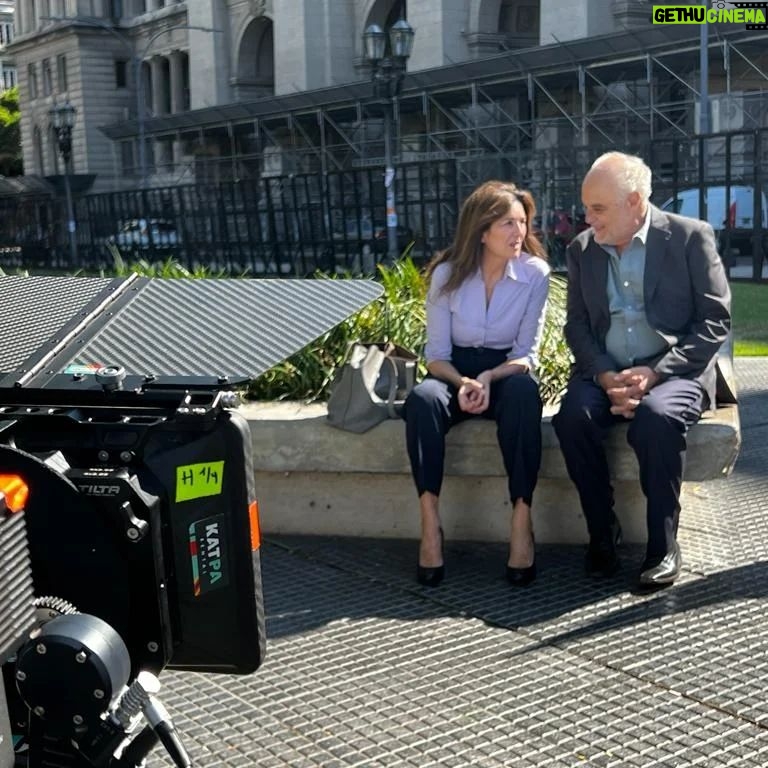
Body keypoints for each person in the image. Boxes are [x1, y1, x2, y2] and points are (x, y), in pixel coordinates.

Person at [552, 152, 731, 589]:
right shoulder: (582, 250)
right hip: (606, 371)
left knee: (656, 419)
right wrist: (604, 374)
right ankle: (602, 532)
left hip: (675, 372)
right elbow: (576, 324)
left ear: (634, 202)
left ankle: (663, 545)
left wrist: (655, 374)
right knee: (572, 418)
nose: (588, 220)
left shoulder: (690, 238)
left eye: (598, 209)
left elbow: (714, 321)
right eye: (586, 208)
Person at [402, 180, 550, 588]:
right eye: (507, 223)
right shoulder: (447, 275)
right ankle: (430, 524)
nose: (518, 232)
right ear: (481, 231)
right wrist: (464, 379)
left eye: (522, 222)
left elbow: (526, 354)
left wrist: (488, 377)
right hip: (453, 371)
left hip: (506, 371)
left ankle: (521, 522)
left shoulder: (535, 275)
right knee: (422, 400)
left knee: (524, 394)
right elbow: (435, 356)